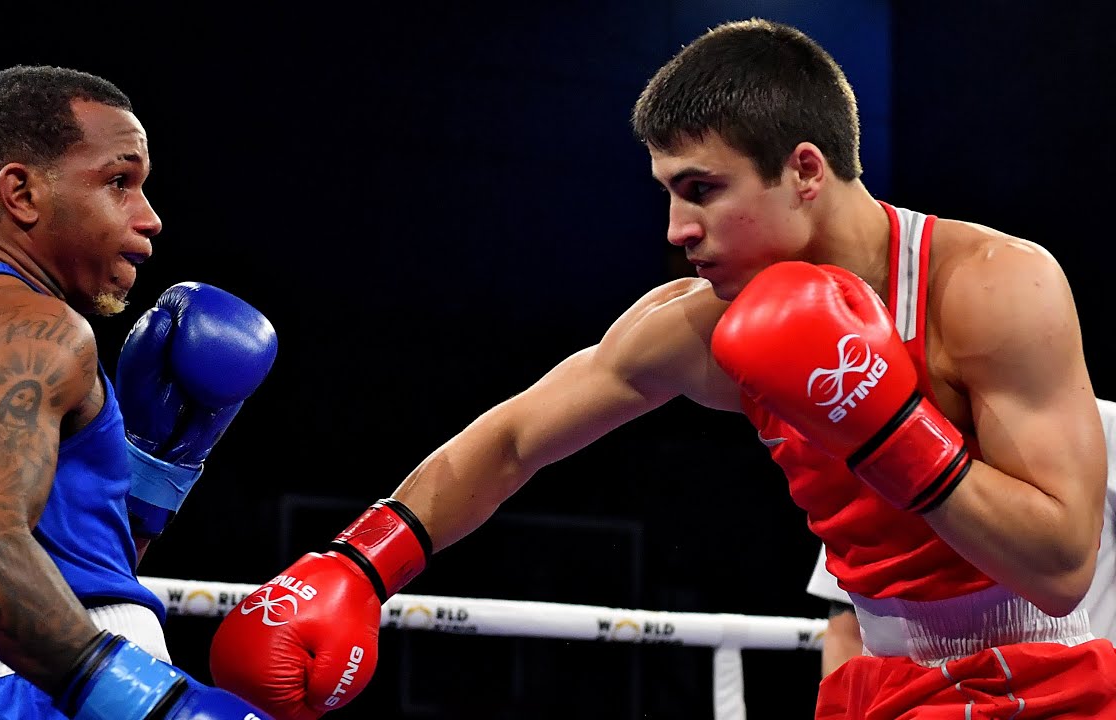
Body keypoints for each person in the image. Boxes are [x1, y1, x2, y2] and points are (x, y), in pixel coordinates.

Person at [210, 18, 1116, 719]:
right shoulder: (697, 328)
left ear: (805, 169)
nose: (678, 230)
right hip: (885, 681)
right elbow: (517, 438)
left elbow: (1063, 565)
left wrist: (886, 426)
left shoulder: (992, 286)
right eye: (669, 193)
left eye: (702, 190)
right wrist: (361, 565)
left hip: (1056, 668)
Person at [0, 65, 279, 720]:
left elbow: (67, 562)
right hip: (44, 692)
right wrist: (152, 705)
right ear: (21, 192)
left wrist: (153, 465)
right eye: (118, 182)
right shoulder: (33, 327)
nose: (151, 218)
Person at [809, 396, 1116, 677]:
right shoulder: (882, 432)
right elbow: (846, 624)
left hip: (1071, 691)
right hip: (915, 698)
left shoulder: (1104, 426)